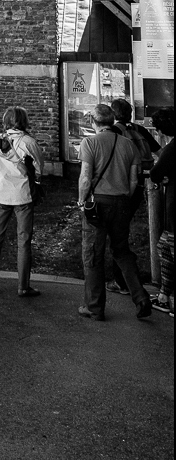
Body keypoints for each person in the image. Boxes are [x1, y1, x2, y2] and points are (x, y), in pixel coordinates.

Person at [77, 104, 152, 321]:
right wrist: (124, 198)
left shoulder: (89, 142)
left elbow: (85, 177)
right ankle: (140, 297)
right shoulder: (129, 145)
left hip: (98, 203)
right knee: (121, 251)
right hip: (121, 203)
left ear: (94, 122)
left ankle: (94, 307)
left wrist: (82, 200)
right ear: (111, 121)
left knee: (93, 253)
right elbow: (133, 180)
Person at [0, 106, 44, 297]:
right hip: (22, 195)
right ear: (24, 121)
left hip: (2, 194)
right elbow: (39, 169)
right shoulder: (29, 142)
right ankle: (23, 286)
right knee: (23, 240)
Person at [105, 98, 161, 296]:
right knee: (122, 230)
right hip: (139, 184)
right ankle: (125, 279)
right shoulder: (139, 129)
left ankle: (122, 282)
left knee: (118, 235)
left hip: (121, 186)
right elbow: (158, 152)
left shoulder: (115, 132)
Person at [148, 107, 174, 315]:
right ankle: (165, 294)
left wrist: (165, 176)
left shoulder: (172, 148)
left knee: (168, 247)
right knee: (164, 247)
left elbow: (156, 173)